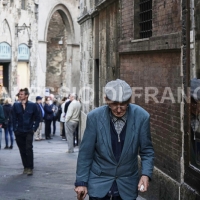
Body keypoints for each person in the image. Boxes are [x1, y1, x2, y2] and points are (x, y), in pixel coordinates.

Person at [75, 79, 154, 200]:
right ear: (106, 99)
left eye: (122, 104)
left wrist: (146, 174)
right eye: (114, 104)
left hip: (127, 184)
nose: (118, 109)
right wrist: (81, 182)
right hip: (99, 182)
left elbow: (147, 150)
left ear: (129, 101)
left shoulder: (142, 117)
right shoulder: (94, 117)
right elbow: (86, 153)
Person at [12, 88, 40, 175]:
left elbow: (38, 117)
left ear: (26, 96)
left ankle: (30, 167)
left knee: (28, 148)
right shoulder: (15, 105)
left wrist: (34, 128)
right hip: (19, 131)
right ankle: (25, 167)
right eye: (19, 94)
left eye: (21, 94)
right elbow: (13, 118)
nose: (20, 96)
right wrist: (15, 129)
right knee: (22, 149)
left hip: (28, 130)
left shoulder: (33, 105)